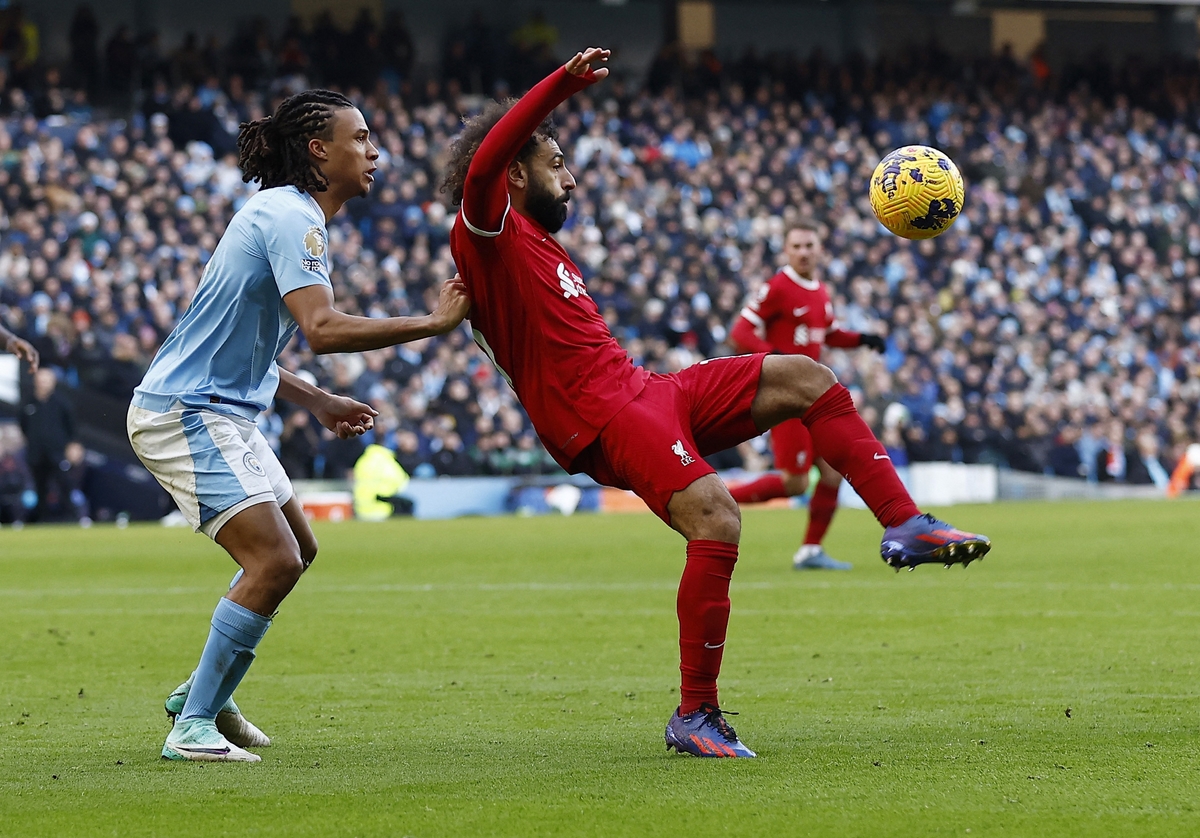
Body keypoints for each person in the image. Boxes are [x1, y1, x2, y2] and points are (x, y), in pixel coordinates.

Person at [443, 47, 991, 759]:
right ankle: (695, 714)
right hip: (601, 415)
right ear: (516, 170)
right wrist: (560, 88)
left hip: (643, 389)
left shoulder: (542, 245)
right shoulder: (486, 234)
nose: (571, 178)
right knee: (718, 517)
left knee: (808, 378)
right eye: (555, 163)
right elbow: (483, 164)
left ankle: (905, 523)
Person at [128, 89, 470, 763]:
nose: (375, 152)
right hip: (186, 415)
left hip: (218, 410)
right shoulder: (294, 219)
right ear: (319, 149)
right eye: (361, 138)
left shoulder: (285, 215)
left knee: (299, 551)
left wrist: (317, 401)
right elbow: (321, 329)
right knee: (274, 559)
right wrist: (430, 325)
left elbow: (243, 341)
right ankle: (193, 727)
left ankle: (202, 691)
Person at [726, 221, 887, 571]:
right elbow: (739, 332)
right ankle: (714, 499)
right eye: (796, 246)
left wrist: (862, 339)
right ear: (786, 250)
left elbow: (827, 334)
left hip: (811, 396)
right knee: (794, 482)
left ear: (819, 249)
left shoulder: (820, 291)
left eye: (808, 245)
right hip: (785, 397)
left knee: (831, 473)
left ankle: (811, 550)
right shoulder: (776, 287)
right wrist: (776, 358)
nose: (803, 252)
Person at [19, 368, 77, 523]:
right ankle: (42, 520)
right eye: (41, 380)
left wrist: (72, 445)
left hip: (57, 452)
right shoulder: (28, 402)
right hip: (36, 454)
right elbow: (23, 425)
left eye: (47, 380)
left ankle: (73, 518)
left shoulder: (61, 403)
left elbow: (71, 426)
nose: (44, 384)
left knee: (64, 485)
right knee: (40, 488)